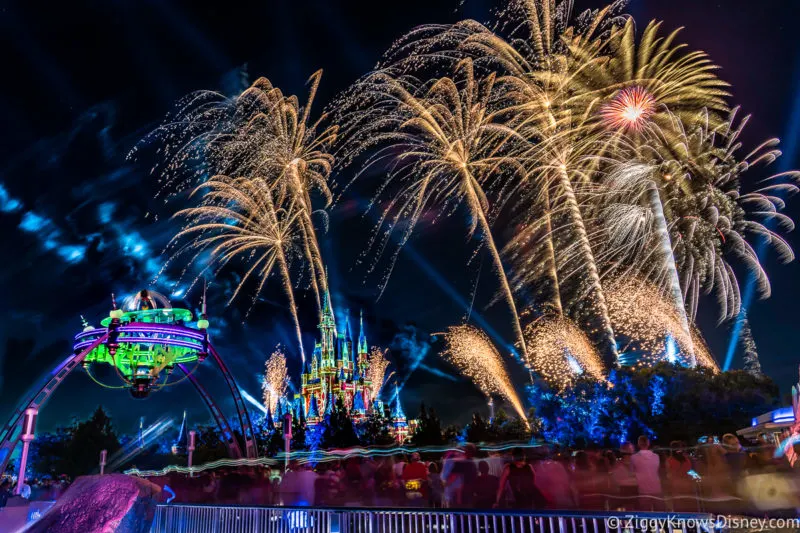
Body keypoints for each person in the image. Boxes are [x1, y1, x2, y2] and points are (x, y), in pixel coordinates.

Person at [631, 436, 662, 510]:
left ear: (638, 444)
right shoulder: (656, 456)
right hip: (656, 488)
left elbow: (632, 472)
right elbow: (657, 470)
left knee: (645, 515)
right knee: (659, 514)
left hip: (643, 489)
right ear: (648, 443)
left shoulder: (634, 457)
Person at [610, 443, 638, 510]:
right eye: (629, 454)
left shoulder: (636, 465)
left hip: (636, 492)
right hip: (624, 492)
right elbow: (616, 480)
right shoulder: (618, 465)